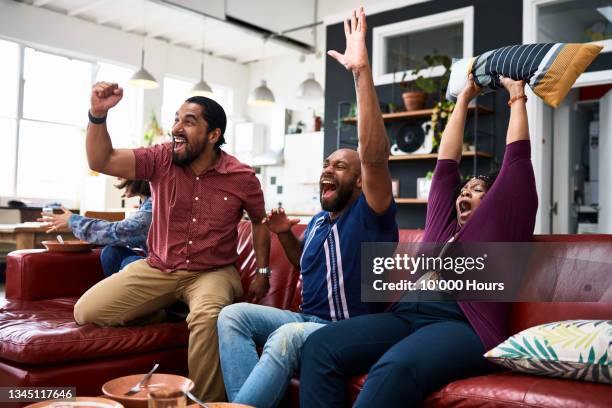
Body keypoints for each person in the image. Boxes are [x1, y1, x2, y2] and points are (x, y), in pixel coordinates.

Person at [299, 8, 538, 408]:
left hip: (462, 326)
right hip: (408, 316)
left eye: (477, 190)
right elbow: (446, 167)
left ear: (496, 200)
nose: (464, 194)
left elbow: (516, 162)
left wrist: (517, 96)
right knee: (320, 346)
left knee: (393, 367)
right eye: (465, 190)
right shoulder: (444, 228)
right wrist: (463, 97)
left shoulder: (504, 223)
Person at [216, 8, 398, 408]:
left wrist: (361, 72)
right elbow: (304, 264)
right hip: (305, 319)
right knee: (231, 316)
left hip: (343, 330)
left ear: (358, 181)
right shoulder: (318, 221)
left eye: (340, 166)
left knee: (283, 338)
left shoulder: (371, 217)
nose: (327, 171)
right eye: (325, 164)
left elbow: (374, 158)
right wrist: (283, 234)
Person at [72, 83, 271, 402]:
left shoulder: (242, 176)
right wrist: (98, 114)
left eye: (189, 121)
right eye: (176, 119)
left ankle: (204, 403)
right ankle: (168, 310)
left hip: (213, 272)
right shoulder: (160, 159)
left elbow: (260, 222)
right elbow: (102, 159)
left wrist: (262, 272)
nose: (176, 127)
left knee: (208, 317)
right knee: (87, 311)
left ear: (213, 135)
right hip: (159, 268)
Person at [38, 178, 152, 277]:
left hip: (166, 271)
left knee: (130, 263)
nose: (117, 177)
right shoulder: (146, 204)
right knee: (111, 252)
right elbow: (133, 237)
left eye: (123, 172)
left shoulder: (152, 207)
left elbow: (119, 231)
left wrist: (72, 221)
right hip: (154, 262)